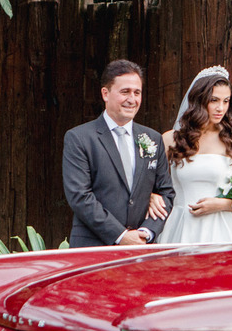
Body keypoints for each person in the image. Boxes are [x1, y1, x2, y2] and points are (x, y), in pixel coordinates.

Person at [62, 59, 175, 247]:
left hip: (140, 247)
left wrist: (146, 232)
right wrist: (121, 235)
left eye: (137, 92)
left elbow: (166, 193)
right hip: (94, 247)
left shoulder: (153, 138)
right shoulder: (79, 138)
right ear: (105, 94)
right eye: (125, 92)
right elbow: (80, 196)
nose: (132, 99)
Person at [156, 66, 232, 244]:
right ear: (199, 100)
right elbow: (152, 184)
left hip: (222, 229)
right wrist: (151, 197)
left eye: (226, 101)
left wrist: (219, 205)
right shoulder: (171, 139)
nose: (220, 108)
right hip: (181, 226)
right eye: (214, 100)